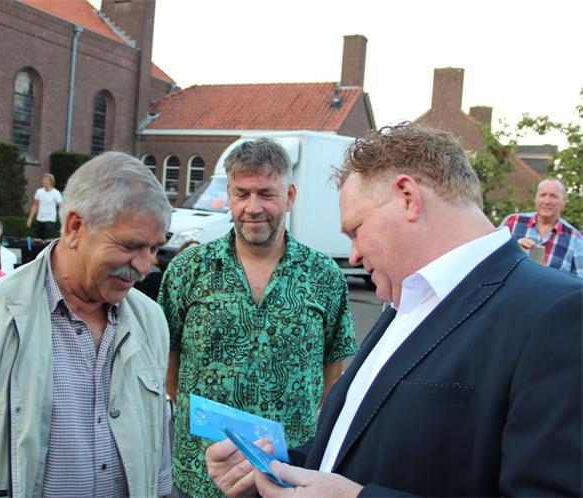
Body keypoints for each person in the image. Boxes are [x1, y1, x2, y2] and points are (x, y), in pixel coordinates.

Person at [205, 123, 582, 497]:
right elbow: (350, 447)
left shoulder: (558, 313)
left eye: (356, 230)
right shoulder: (405, 301)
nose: (353, 255)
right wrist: (273, 468)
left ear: (407, 198)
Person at [0, 152, 173, 497]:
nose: (145, 266)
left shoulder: (151, 320)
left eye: (154, 249)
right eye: (131, 245)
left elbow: (157, 473)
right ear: (75, 227)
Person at [159, 138, 357, 498]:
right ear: (229, 196)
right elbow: (168, 361)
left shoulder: (323, 275)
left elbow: (333, 370)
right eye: (242, 194)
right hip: (201, 474)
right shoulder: (188, 270)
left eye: (266, 193)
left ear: (289, 196)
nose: (253, 207)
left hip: (288, 477)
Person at [500, 178, 583, 277]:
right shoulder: (512, 222)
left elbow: (579, 282)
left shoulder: (575, 238)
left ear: (564, 201)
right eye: (543, 195)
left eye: (553, 196)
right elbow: (491, 258)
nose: (547, 201)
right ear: (536, 198)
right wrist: (514, 247)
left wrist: (548, 274)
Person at [26, 173, 62, 240]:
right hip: (40, 219)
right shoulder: (39, 192)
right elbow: (35, 205)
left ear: (51, 182)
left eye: (46, 180)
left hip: (50, 220)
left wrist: (62, 219)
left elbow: (61, 206)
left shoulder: (56, 193)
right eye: (43, 180)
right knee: (38, 240)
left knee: (46, 238)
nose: (44, 181)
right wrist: (30, 218)